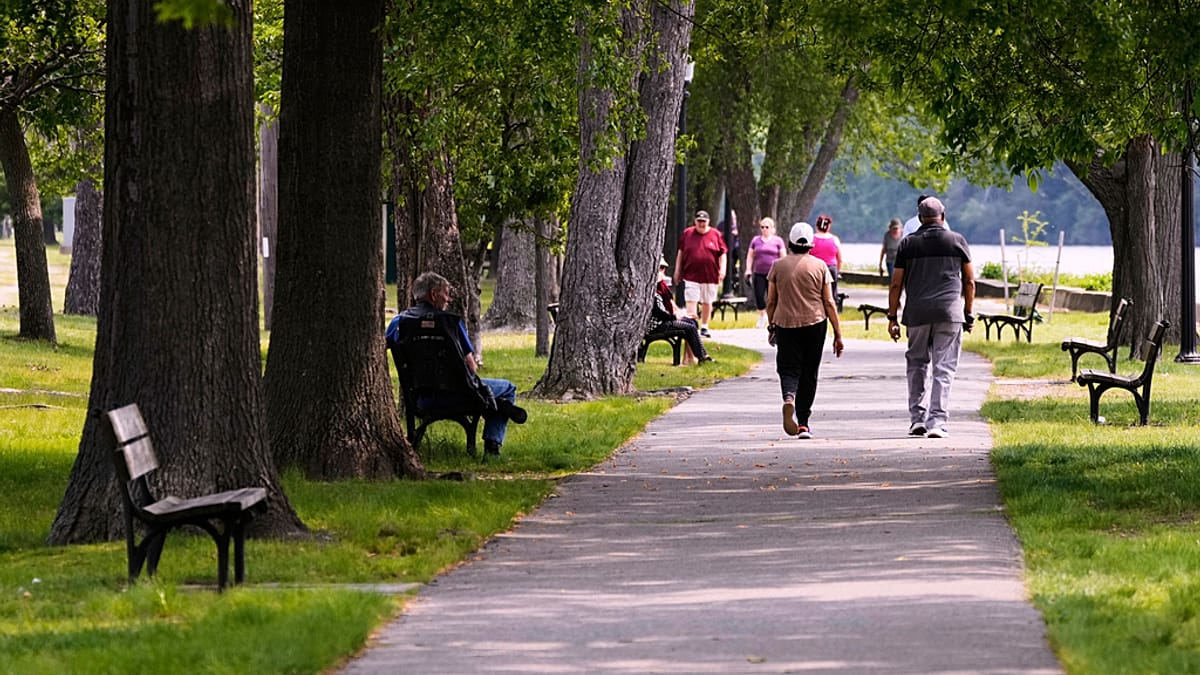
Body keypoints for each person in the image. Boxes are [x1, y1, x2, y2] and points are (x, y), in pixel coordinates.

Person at [387, 271, 527, 456]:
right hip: (462, 395)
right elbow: (471, 366)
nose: (449, 299)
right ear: (433, 294)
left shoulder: (399, 322)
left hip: (420, 398)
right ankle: (493, 445)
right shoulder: (450, 323)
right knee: (507, 388)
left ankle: (495, 403)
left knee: (489, 394)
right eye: (446, 293)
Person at [887, 197, 975, 439]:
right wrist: (968, 312)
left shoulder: (908, 244)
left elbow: (896, 284)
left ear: (919, 218)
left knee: (916, 365)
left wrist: (892, 317)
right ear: (943, 216)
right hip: (949, 314)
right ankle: (936, 421)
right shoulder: (957, 241)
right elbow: (969, 281)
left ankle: (917, 419)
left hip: (917, 314)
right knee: (943, 368)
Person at [766, 222, 844, 439]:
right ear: (811, 244)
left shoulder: (777, 266)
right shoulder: (821, 267)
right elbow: (829, 301)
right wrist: (838, 334)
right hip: (815, 323)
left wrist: (771, 325)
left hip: (785, 324)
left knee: (788, 368)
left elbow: (771, 301)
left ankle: (789, 397)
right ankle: (803, 423)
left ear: (790, 242)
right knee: (809, 372)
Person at [674, 210, 727, 338]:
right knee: (691, 300)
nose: (701, 224)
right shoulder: (687, 233)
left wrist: (723, 270)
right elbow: (680, 253)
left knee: (707, 302)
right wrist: (677, 270)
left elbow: (723, 254)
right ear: (695, 221)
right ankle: (692, 325)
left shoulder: (715, 234)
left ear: (708, 222)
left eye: (704, 222)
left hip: (710, 275)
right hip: (691, 275)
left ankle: (704, 326)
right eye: (699, 221)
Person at [651, 258, 711, 365]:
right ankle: (702, 357)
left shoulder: (663, 287)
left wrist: (683, 315)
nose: (661, 271)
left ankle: (691, 358)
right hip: (657, 325)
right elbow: (658, 312)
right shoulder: (651, 289)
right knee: (690, 327)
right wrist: (675, 317)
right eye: (659, 268)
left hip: (666, 320)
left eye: (663, 268)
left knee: (692, 322)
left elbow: (671, 304)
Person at [744, 216, 786, 328]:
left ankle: (774, 317)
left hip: (773, 273)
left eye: (767, 227)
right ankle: (762, 315)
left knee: (773, 296)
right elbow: (750, 255)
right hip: (759, 272)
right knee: (759, 295)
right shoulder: (755, 240)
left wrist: (783, 271)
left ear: (772, 228)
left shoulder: (778, 241)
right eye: (762, 227)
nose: (764, 229)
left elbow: (783, 256)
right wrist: (748, 269)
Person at [810, 214, 843, 302]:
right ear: (828, 227)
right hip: (831, 269)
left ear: (817, 226)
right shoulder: (835, 239)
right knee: (831, 295)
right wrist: (838, 271)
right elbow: (839, 259)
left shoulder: (811, 239)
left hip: (815, 268)